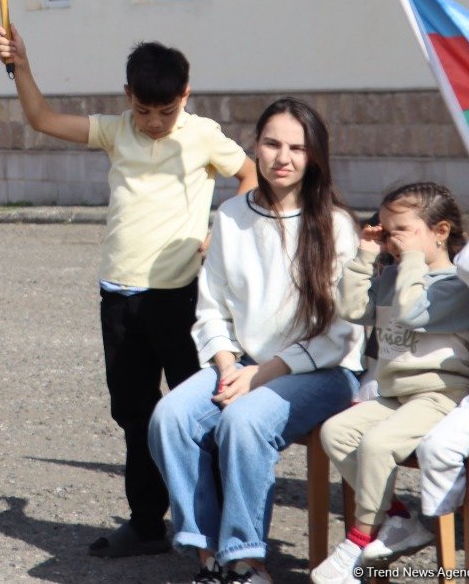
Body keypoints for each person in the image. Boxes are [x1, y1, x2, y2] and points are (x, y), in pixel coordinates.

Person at [0, 28, 256, 558]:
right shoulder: (116, 132)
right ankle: (145, 524)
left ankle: (217, 526)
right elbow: (42, 119)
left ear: (185, 96)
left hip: (180, 298)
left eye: (166, 111)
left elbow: (249, 176)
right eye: (144, 111)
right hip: (118, 296)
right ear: (127, 97)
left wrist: (219, 233)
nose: (155, 123)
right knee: (134, 414)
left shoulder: (203, 135)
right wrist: (21, 64)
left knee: (198, 410)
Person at [148, 97, 364, 584]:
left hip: (322, 372)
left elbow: (342, 332)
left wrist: (261, 375)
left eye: (297, 147)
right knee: (171, 417)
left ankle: (246, 558)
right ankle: (208, 554)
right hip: (242, 362)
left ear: (315, 157)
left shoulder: (336, 225)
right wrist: (228, 366)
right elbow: (211, 308)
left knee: (244, 421)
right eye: (271, 143)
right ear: (255, 147)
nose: (282, 157)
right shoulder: (229, 215)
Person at [312, 181, 469, 582]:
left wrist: (411, 262)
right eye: (386, 230)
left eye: (401, 229)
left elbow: (411, 311)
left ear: (440, 232)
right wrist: (366, 253)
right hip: (396, 394)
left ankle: (358, 538)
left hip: (441, 394)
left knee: (376, 445)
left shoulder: (457, 285)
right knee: (336, 432)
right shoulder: (394, 274)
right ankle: (399, 518)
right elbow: (352, 308)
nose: (391, 239)